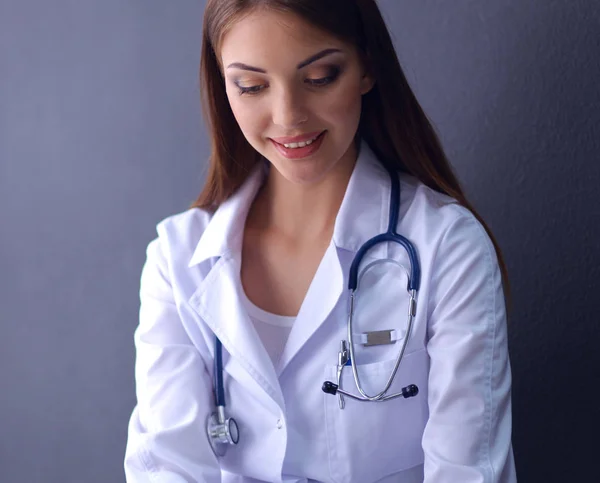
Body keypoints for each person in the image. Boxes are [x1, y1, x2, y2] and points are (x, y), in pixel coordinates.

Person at [124, 0, 517, 481]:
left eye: (320, 77)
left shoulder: (448, 249)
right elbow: (167, 467)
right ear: (224, 85)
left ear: (367, 66)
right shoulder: (177, 258)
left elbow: (466, 471)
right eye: (252, 86)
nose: (289, 117)